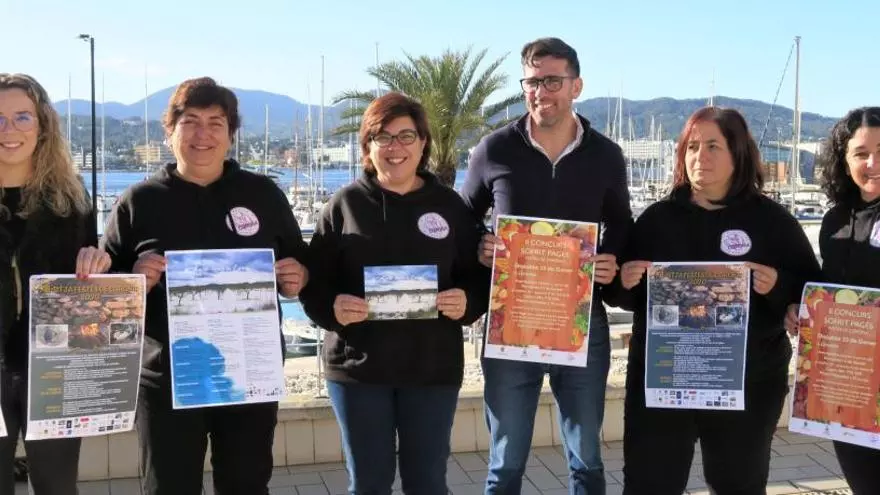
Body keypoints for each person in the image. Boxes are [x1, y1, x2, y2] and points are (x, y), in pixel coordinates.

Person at [101, 77, 309, 495]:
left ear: (231, 135)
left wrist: (297, 277)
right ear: (170, 132)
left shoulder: (264, 194)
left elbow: (299, 261)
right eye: (191, 122)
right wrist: (134, 279)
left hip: (249, 374)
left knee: (247, 485)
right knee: (169, 488)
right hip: (167, 380)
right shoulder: (138, 202)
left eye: (216, 123)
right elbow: (106, 295)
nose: (203, 134)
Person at [614, 106, 820, 494]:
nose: (699, 157)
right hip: (664, 383)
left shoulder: (772, 221)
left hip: (747, 386)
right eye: (692, 147)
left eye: (713, 146)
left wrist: (778, 285)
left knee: (738, 485)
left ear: (738, 153)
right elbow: (621, 295)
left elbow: (811, 293)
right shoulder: (656, 219)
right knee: (649, 483)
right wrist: (626, 281)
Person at [461, 37, 631, 494]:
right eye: (532, 82)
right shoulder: (494, 150)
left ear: (577, 86)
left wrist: (611, 262)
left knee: (587, 460)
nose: (542, 92)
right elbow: (462, 219)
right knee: (505, 464)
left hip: (581, 321)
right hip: (511, 323)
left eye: (553, 81)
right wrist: (480, 245)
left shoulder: (606, 155)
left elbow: (621, 223)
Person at [299, 91, 489, 494]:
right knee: (369, 483)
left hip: (432, 370)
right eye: (382, 137)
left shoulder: (451, 206)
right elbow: (313, 283)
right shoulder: (344, 205)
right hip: (358, 371)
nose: (395, 147)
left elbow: (479, 278)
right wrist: (332, 307)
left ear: (423, 143)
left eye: (405, 136)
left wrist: (467, 302)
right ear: (367, 147)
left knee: (427, 483)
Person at [0, 73, 111, 494]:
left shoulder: (70, 198)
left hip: (56, 367)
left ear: (42, 124)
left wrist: (98, 263)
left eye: (22, 117)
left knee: (57, 485)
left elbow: (88, 276)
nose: (9, 130)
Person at [784, 106, 880, 495]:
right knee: (864, 482)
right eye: (861, 153)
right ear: (844, 160)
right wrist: (801, 310)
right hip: (847, 382)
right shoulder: (835, 219)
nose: (873, 163)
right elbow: (827, 287)